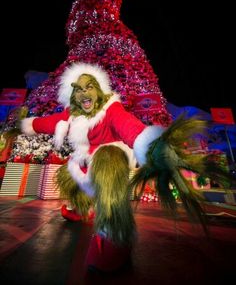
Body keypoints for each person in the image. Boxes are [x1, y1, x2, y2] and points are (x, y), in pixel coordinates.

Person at [20, 61, 231, 273]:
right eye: (78, 89)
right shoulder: (71, 115)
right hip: (85, 160)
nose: (84, 93)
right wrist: (28, 124)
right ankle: (83, 208)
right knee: (71, 168)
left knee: (106, 162)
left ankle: (114, 235)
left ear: (100, 89)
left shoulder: (111, 109)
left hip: (110, 157)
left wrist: (150, 145)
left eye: (89, 86)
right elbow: (48, 122)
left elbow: (129, 126)